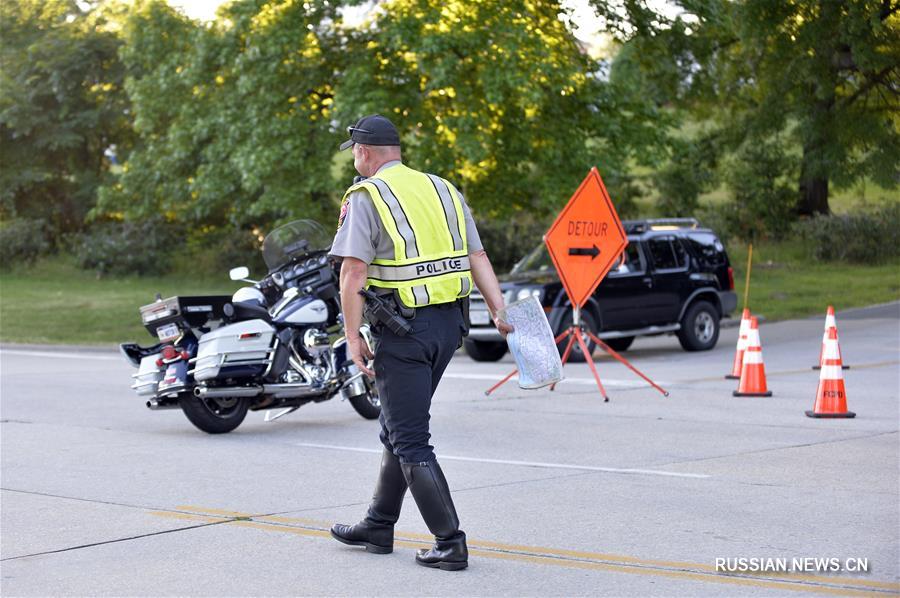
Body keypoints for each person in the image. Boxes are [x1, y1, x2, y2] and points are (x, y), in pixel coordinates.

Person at [328, 114, 512, 571]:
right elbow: (478, 256)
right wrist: (499, 309)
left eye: (354, 152)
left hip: (402, 333)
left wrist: (351, 337)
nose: (355, 159)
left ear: (364, 152)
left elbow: (352, 271)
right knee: (396, 428)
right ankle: (378, 524)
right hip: (448, 329)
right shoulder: (443, 189)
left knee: (410, 439)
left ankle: (450, 542)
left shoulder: (367, 196)